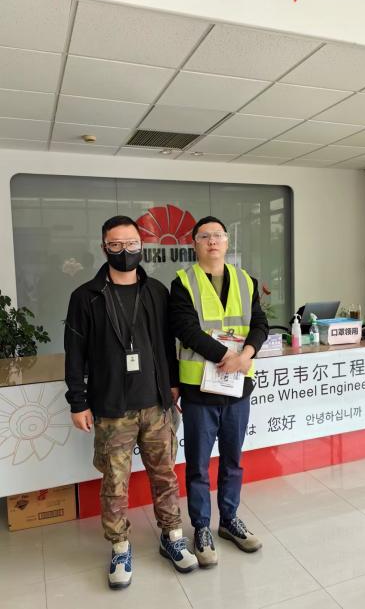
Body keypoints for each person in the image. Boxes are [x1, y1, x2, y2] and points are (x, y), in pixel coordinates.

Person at [64, 215, 198, 590]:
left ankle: (172, 537)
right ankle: (120, 546)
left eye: (132, 244)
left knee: (165, 475)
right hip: (112, 408)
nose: (125, 251)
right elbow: (74, 354)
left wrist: (173, 384)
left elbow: (167, 344)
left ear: (142, 245)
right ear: (104, 247)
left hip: (157, 405)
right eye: (116, 245)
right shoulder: (86, 297)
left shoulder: (156, 291)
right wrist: (78, 402)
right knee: (114, 483)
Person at [170, 215, 269, 568]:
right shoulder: (183, 282)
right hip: (200, 390)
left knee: (233, 460)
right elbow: (185, 328)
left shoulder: (246, 280)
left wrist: (246, 355)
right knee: (198, 465)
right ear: (195, 244)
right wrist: (228, 356)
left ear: (227, 242)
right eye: (205, 236)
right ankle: (201, 527)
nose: (212, 241)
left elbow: (259, 323)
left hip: (237, 388)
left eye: (218, 235)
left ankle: (229, 520)